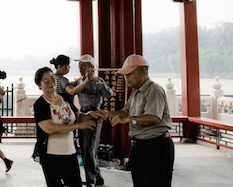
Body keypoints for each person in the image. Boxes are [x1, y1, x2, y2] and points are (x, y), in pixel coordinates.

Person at [107, 54, 173, 187]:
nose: (126, 78)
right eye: (125, 75)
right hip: (139, 146)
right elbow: (125, 112)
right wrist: (107, 113)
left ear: (144, 72)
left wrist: (129, 119)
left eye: (129, 74)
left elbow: (153, 118)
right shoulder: (136, 92)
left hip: (156, 146)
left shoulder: (154, 90)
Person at [32, 67, 106, 187]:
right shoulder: (40, 104)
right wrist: (78, 126)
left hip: (70, 152)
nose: (51, 82)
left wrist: (91, 115)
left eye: (52, 78)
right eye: (45, 81)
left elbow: (77, 116)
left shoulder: (64, 98)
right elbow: (49, 128)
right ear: (39, 85)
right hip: (51, 155)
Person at [65, 54, 112, 186]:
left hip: (95, 116)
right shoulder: (79, 81)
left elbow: (109, 94)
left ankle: (91, 179)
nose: (80, 68)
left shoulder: (98, 81)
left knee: (90, 149)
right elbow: (70, 90)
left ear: (91, 66)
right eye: (79, 66)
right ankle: (97, 177)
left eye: (83, 65)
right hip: (83, 116)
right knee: (86, 149)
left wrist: (95, 81)